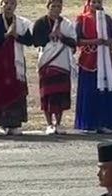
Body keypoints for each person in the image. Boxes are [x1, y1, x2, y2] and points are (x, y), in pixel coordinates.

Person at [0, 0, 33, 136]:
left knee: (17, 91)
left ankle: (15, 124)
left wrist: (16, 35)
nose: (8, 6)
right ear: (1, 4)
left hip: (16, 62)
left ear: (15, 5)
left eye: (12, 3)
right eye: (5, 3)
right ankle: (1, 124)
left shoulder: (22, 22)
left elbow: (30, 41)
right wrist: (7, 34)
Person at [73, 0, 112, 133]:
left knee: (107, 90)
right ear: (88, 3)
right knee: (90, 91)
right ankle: (89, 123)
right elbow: (77, 40)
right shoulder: (82, 19)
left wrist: (107, 41)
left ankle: (106, 122)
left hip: (107, 60)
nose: (96, 5)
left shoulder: (107, 19)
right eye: (93, 2)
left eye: (98, 2)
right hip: (89, 61)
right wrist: (94, 41)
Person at [30, 0, 76, 134]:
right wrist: (50, 36)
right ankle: (49, 124)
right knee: (47, 94)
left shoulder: (66, 24)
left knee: (61, 93)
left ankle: (59, 123)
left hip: (62, 63)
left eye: (58, 6)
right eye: (53, 6)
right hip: (47, 62)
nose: (56, 9)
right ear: (48, 7)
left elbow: (74, 42)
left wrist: (62, 37)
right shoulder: (40, 23)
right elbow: (36, 41)